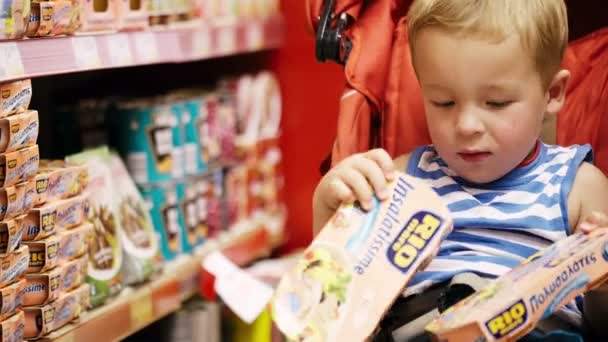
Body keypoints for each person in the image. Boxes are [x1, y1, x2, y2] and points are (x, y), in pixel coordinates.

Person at [312, 0, 608, 340]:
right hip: (421, 326)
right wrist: (328, 212)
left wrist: (601, 279)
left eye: (496, 103)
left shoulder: (579, 188)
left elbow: (600, 326)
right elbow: (336, 305)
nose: (467, 125)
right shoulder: (401, 179)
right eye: (444, 102)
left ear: (552, 94)